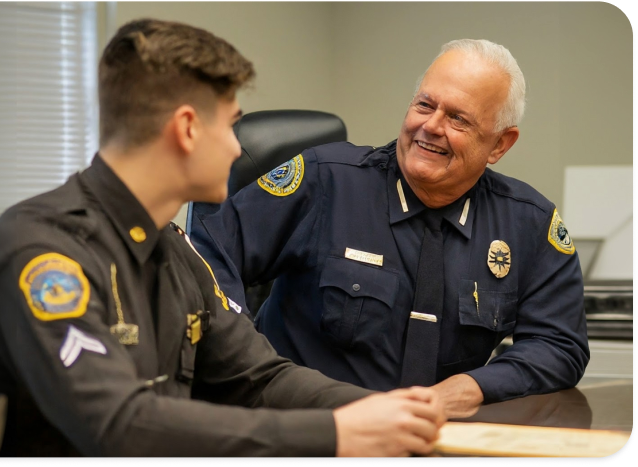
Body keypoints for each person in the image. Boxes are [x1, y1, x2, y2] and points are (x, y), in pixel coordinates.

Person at [0, 19, 446, 459]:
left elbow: (259, 378)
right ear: (186, 129)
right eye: (231, 125)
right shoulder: (44, 251)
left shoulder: (174, 249)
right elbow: (119, 428)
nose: (237, 146)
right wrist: (336, 433)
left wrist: (382, 409)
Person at [189, 39, 590, 419]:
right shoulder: (324, 182)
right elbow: (205, 255)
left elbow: (558, 345)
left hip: (435, 440)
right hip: (305, 430)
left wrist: (472, 387)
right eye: (424, 104)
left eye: (457, 118)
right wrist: (252, 366)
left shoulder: (528, 225)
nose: (431, 126)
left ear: (500, 145)